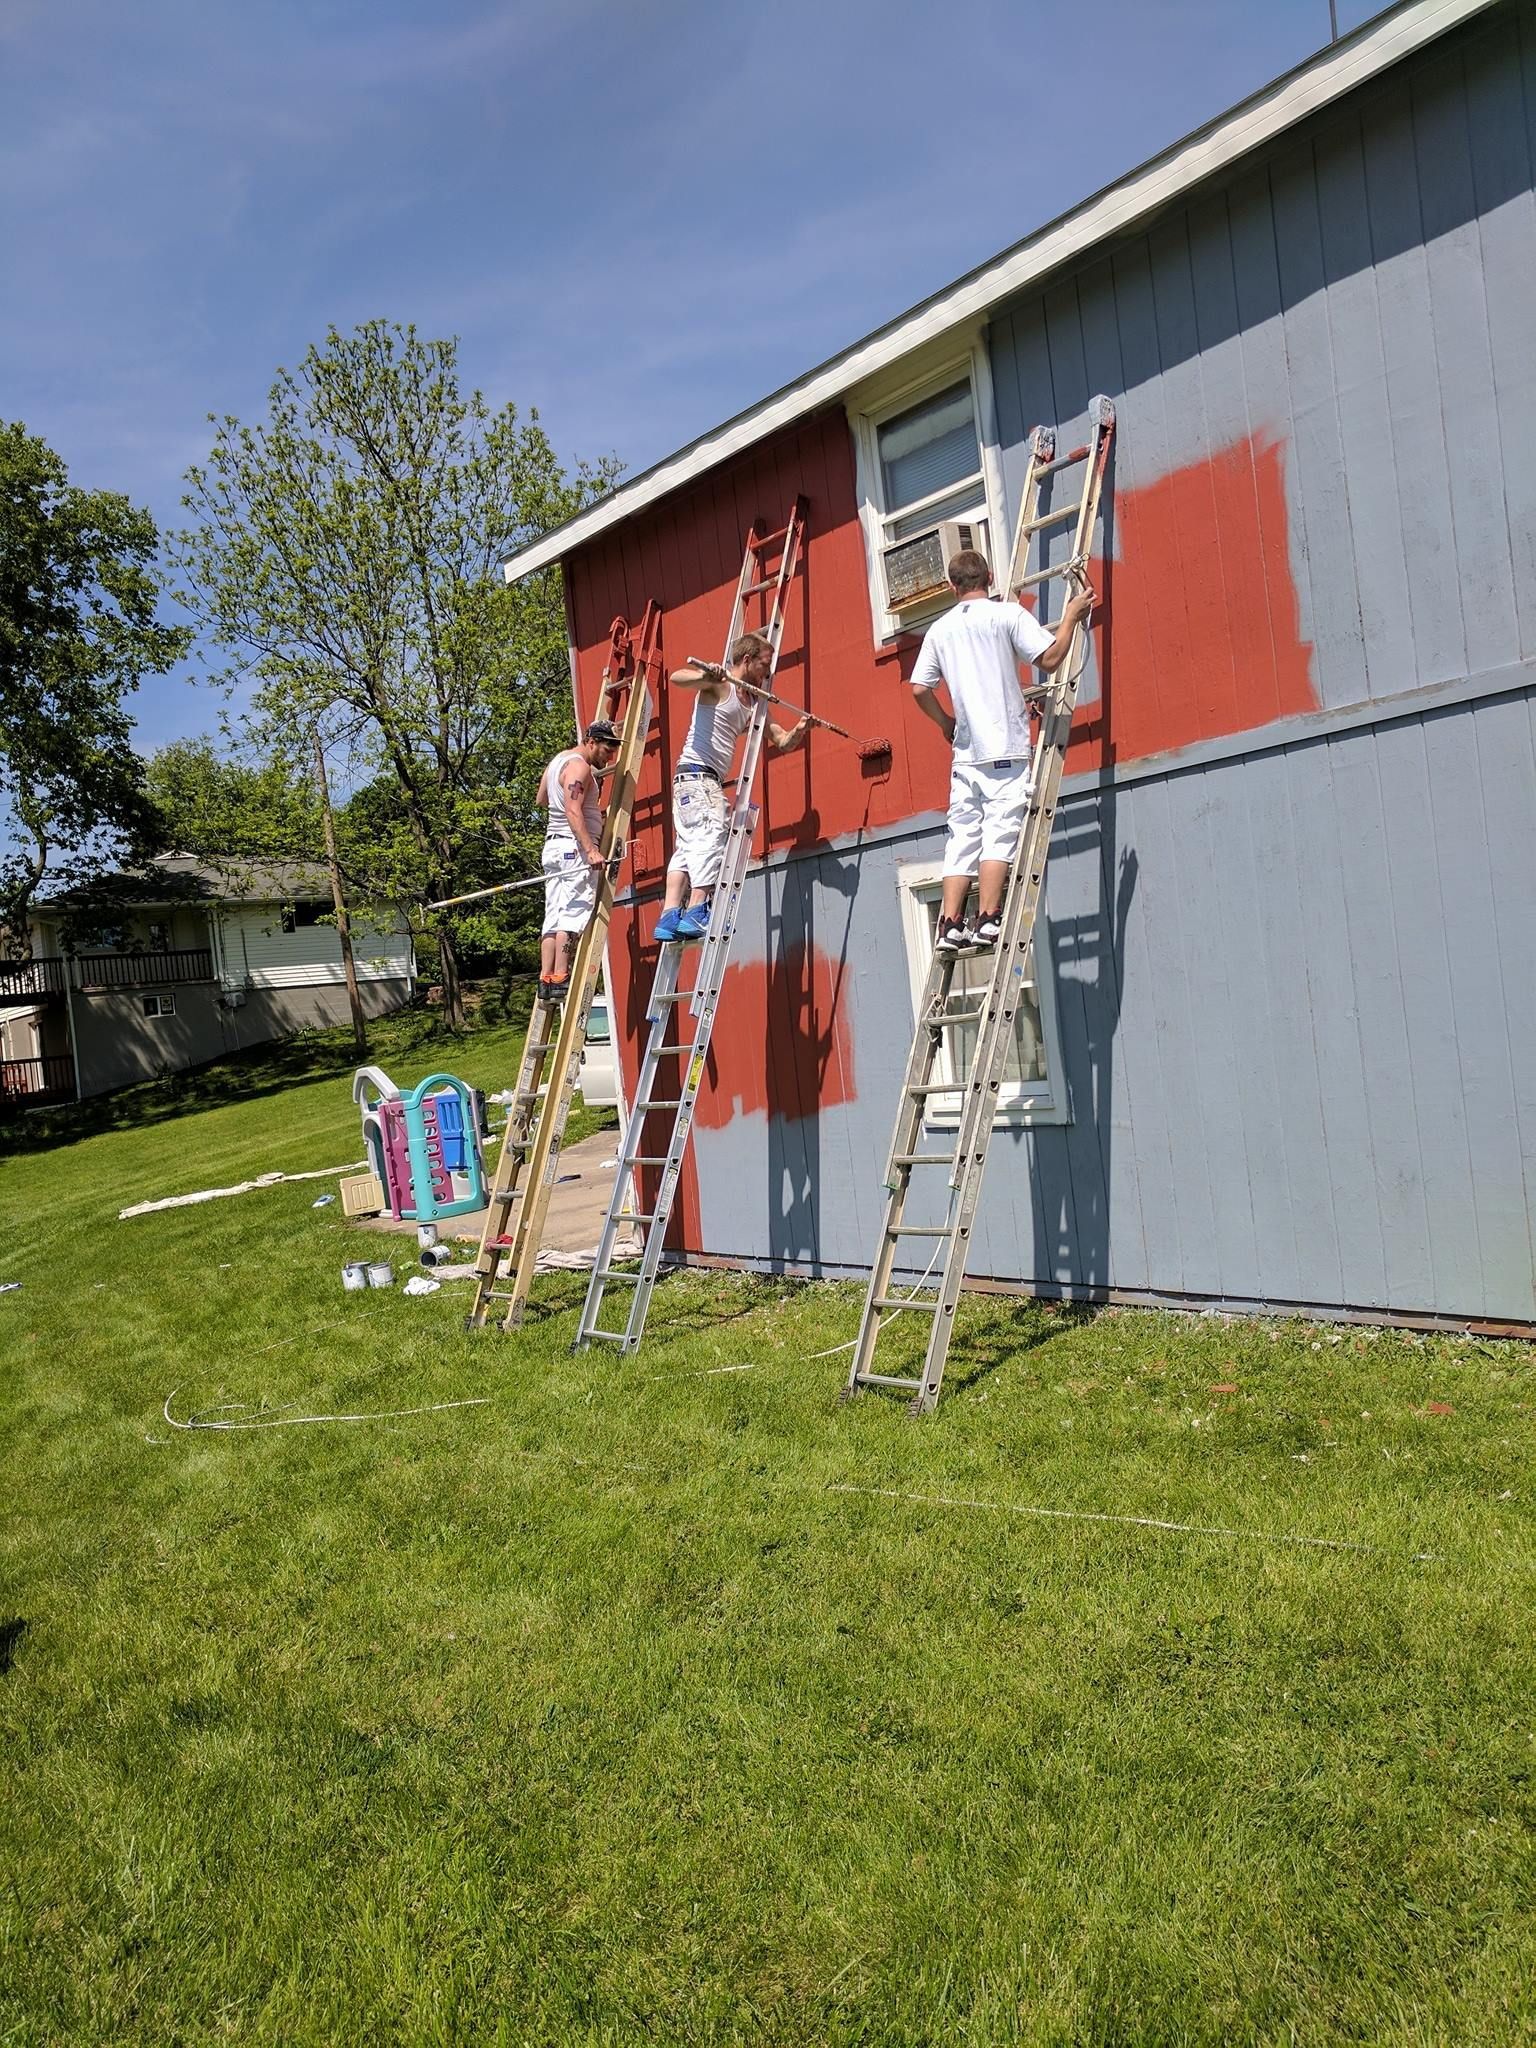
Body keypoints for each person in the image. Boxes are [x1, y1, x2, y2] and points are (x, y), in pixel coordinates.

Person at [910, 548, 1095, 954]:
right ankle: (988, 919)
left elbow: (921, 688)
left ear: (951, 586)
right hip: (1005, 749)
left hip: (966, 753)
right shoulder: (1006, 615)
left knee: (961, 840)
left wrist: (946, 724)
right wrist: (1071, 618)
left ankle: (949, 925)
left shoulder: (938, 631)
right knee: (999, 836)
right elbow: (1049, 658)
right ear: (989, 577)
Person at [654, 632, 809, 943]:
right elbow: (677, 678)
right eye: (765, 665)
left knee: (687, 850)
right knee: (712, 837)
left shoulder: (753, 704)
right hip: (699, 778)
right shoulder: (720, 684)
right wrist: (705, 674)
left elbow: (781, 740)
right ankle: (697, 909)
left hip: (690, 783)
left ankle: (670, 915)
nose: (768, 673)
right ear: (747, 660)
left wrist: (801, 730)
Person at [536, 718, 621, 1004]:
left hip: (553, 848)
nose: (609, 755)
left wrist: (593, 816)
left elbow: (542, 799)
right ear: (591, 742)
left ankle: (546, 978)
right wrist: (591, 849)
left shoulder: (558, 761)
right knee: (573, 912)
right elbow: (572, 809)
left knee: (553, 914)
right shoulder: (580, 767)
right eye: (607, 748)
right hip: (573, 850)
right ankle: (561, 976)